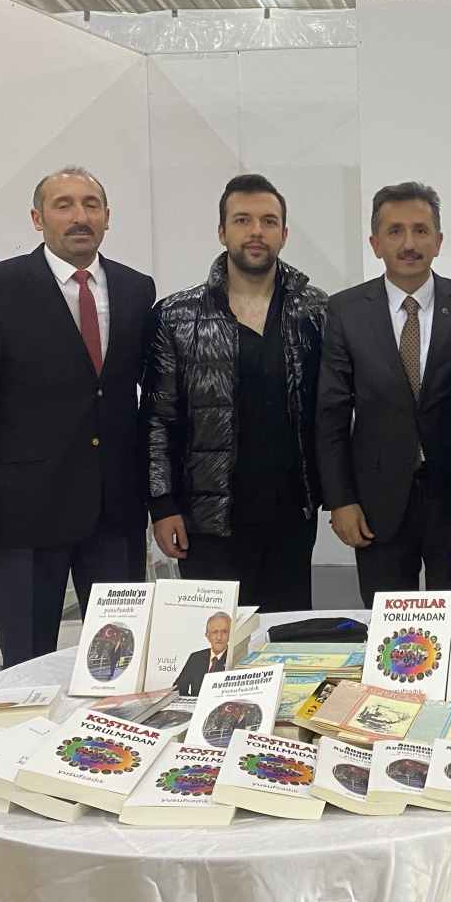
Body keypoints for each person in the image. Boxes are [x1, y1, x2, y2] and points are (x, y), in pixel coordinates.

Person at [0, 167, 155, 669]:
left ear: (107, 217)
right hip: (22, 518)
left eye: (91, 205)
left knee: (120, 666)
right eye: (63, 205)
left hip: (114, 513)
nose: (80, 216)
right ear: (37, 219)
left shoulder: (135, 289)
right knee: (27, 666)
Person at [145, 174, 329, 612]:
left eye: (268, 221)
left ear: (284, 234)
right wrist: (162, 505)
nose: (256, 231)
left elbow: (335, 412)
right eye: (242, 220)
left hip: (290, 514)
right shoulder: (176, 316)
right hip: (207, 518)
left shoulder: (316, 310)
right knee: (215, 640)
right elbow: (157, 419)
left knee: (285, 638)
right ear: (222, 231)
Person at [316, 182, 451, 606]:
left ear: (438, 241)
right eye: (395, 231)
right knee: (389, 629)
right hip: (376, 503)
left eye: (420, 230)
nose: (409, 243)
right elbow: (330, 414)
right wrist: (340, 500)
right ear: (376, 244)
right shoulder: (346, 310)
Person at [173, 611, 233, 695]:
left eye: (224, 632)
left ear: (230, 635)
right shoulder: (196, 658)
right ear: (208, 636)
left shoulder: (235, 659)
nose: (219, 637)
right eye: (214, 632)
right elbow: (178, 689)